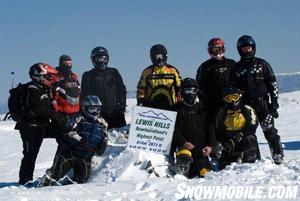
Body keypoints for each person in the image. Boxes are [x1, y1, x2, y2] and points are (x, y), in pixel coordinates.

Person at [230, 35, 284, 164]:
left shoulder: (262, 64)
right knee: (248, 134)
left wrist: (274, 103)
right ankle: (253, 160)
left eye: (249, 48)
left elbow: (273, 84)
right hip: (246, 108)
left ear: (253, 48)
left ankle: (278, 157)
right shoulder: (236, 69)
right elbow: (232, 89)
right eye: (244, 48)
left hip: (263, 104)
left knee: (270, 131)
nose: (247, 50)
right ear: (239, 50)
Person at [16, 63, 68, 185]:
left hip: (41, 126)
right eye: (49, 77)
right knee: (30, 154)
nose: (51, 79)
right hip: (30, 127)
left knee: (64, 136)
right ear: (39, 76)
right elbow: (41, 110)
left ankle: (59, 168)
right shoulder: (32, 89)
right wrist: (56, 116)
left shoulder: (42, 88)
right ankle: (25, 181)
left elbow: (48, 108)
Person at [42, 95, 108, 186]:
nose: (96, 112)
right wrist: (81, 140)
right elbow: (68, 131)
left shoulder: (102, 123)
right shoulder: (78, 118)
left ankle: (66, 193)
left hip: (86, 158)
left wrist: (103, 143)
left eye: (98, 109)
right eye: (92, 109)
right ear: (85, 108)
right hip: (70, 153)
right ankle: (41, 188)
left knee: (81, 182)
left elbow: (104, 135)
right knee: (55, 174)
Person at [171, 78, 215, 178]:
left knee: (205, 174)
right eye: (187, 90)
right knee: (184, 172)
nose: (190, 93)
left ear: (197, 91)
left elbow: (210, 128)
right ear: (182, 92)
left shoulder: (204, 108)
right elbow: (174, 129)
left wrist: (210, 145)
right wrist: (183, 142)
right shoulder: (176, 109)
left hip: (201, 150)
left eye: (193, 90)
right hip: (184, 148)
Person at [215, 86, 260, 169]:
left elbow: (252, 125)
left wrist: (242, 133)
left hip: (245, 140)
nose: (232, 101)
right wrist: (225, 141)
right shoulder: (222, 113)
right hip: (230, 143)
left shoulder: (247, 109)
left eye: (235, 97)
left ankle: (250, 163)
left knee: (250, 138)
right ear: (225, 100)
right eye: (229, 98)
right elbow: (219, 131)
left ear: (239, 96)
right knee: (223, 166)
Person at [81, 46, 126, 129]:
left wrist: (122, 105)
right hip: (97, 113)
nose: (102, 61)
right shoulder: (88, 75)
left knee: (121, 136)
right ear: (94, 60)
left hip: (115, 112)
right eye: (99, 59)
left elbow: (122, 90)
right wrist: (86, 112)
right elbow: (84, 95)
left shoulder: (113, 72)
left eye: (104, 58)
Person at [196, 37, 236, 119]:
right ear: (210, 50)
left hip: (231, 103)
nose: (217, 52)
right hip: (212, 105)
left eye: (219, 49)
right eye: (214, 49)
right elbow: (199, 86)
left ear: (223, 49)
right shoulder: (205, 66)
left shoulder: (231, 64)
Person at [137, 44, 182, 110]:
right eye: (156, 56)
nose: (159, 59)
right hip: (151, 109)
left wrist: (179, 104)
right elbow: (141, 89)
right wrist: (141, 101)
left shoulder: (173, 71)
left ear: (165, 56)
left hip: (171, 108)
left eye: (160, 56)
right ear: (152, 57)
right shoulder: (147, 72)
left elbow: (179, 89)